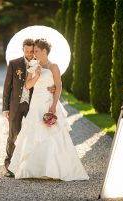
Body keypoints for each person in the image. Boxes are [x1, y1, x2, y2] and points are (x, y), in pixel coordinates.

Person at [8, 38, 89, 181]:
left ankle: (54, 168)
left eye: (37, 51)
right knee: (33, 134)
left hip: (49, 102)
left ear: (44, 51)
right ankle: (35, 169)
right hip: (36, 104)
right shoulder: (33, 66)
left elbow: (59, 86)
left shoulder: (54, 67)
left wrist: (53, 105)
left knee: (53, 135)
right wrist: (37, 75)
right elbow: (27, 86)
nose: (34, 54)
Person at [2, 39, 55, 177]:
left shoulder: (41, 64)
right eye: (27, 51)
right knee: (13, 134)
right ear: (23, 50)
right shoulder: (14, 64)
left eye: (32, 51)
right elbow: (7, 87)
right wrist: (5, 108)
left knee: (34, 133)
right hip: (16, 104)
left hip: (33, 104)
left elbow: (51, 79)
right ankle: (9, 164)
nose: (30, 54)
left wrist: (53, 87)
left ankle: (31, 164)